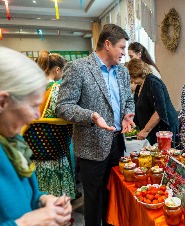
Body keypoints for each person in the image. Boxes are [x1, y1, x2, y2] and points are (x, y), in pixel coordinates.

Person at [55, 24, 135, 226]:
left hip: (117, 144)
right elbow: (63, 107)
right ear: (107, 44)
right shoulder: (78, 68)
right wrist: (91, 115)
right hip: (91, 147)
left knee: (114, 196)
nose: (125, 53)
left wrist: (127, 114)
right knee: (93, 201)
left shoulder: (123, 72)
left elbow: (128, 100)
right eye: (122, 47)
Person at [0, 46, 72, 225]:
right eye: (33, 106)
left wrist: (44, 200)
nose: (37, 116)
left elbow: (26, 193)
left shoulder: (12, 141)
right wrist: (26, 222)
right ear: (3, 102)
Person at [22, 51, 76, 200]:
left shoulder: (29, 89)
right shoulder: (57, 90)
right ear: (57, 69)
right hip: (54, 149)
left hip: (32, 147)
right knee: (55, 192)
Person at [127, 58, 179, 146]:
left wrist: (145, 130)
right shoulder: (139, 86)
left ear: (134, 73)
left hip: (166, 129)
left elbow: (159, 111)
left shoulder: (153, 82)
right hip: (153, 130)